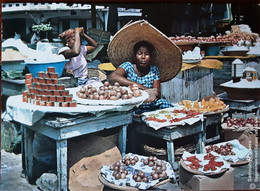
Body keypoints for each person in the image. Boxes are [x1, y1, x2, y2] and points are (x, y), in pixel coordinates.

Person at [108, 20, 182, 115]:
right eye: (140, 54)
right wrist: (141, 87)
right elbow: (112, 77)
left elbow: (157, 93)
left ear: (150, 57)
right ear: (135, 55)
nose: (143, 57)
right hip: (133, 105)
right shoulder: (128, 66)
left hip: (149, 104)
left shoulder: (154, 70)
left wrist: (149, 94)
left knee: (165, 104)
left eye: (146, 54)